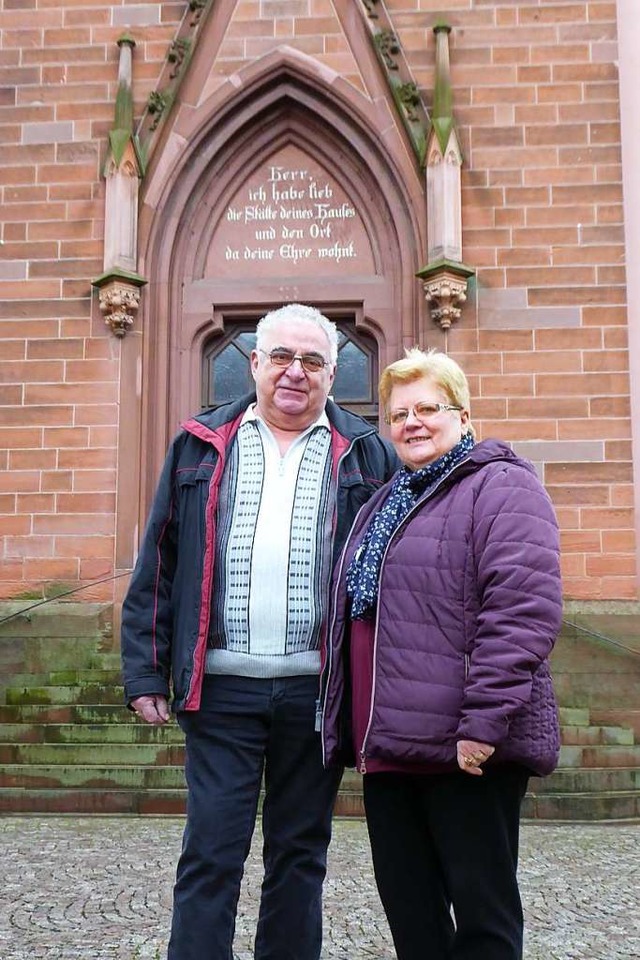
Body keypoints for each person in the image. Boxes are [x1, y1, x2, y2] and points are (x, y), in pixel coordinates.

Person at [120, 303, 398, 960]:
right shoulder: (199, 442)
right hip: (220, 690)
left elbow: (395, 574)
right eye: (281, 357)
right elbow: (161, 557)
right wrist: (144, 668)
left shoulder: (367, 451)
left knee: (300, 858)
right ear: (254, 364)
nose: (295, 373)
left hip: (317, 691)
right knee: (211, 852)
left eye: (312, 361)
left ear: (332, 374)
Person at [321, 348, 563, 960]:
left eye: (428, 407)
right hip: (391, 750)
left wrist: (483, 724)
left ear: (463, 415)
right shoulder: (388, 502)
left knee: (484, 918)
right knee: (414, 921)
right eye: (398, 413)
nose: (412, 422)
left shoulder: (502, 486)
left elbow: (521, 612)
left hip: (465, 750)